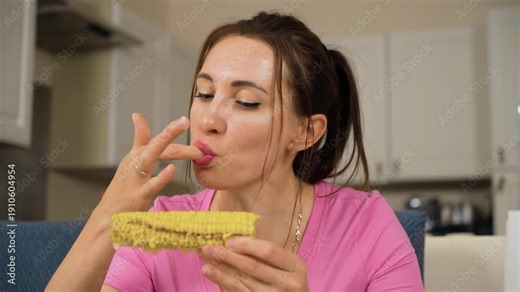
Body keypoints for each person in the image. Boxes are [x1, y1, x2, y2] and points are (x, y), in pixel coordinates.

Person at [46, 11, 424, 291]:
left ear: (306, 132)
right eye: (204, 94)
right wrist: (107, 216)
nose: (208, 119)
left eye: (245, 102)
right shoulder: (160, 228)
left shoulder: (368, 226)